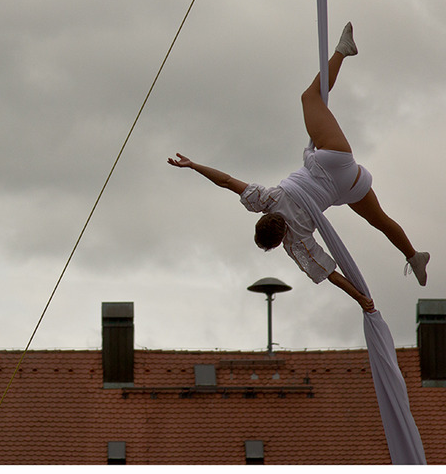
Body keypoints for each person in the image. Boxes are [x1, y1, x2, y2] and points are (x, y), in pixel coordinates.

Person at [167, 22, 429, 313]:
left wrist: (361, 299)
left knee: (380, 221)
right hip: (331, 162)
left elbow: (330, 273)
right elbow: (227, 181)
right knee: (310, 97)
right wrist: (193, 166)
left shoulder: (297, 243)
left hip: (348, 185)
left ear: (279, 241)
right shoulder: (266, 200)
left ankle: (413, 255)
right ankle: (343, 52)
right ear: (262, 220)